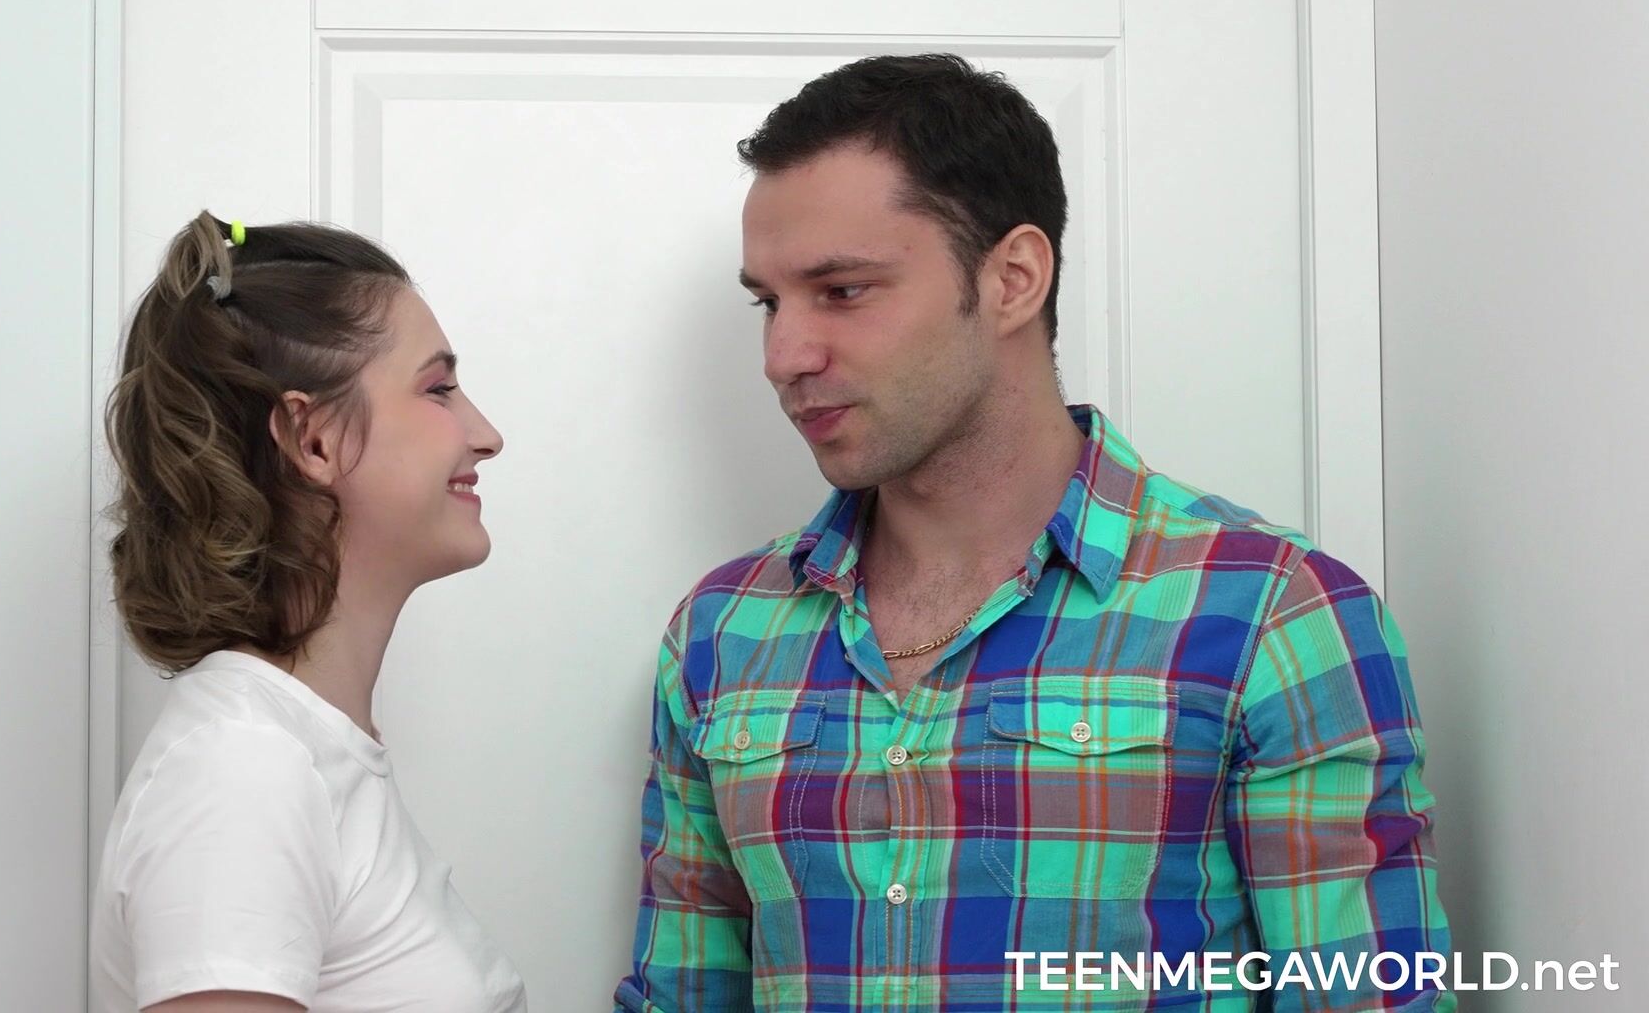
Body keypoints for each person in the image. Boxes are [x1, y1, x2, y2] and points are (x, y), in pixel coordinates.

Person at [614, 54, 1453, 1011]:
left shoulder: (1275, 618)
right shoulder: (724, 630)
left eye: (842, 290)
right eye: (769, 302)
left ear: (1013, 278)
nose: (783, 355)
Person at [89, 213, 527, 1012]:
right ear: (312, 440)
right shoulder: (242, 771)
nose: (486, 435)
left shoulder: (295, 754)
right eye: (438, 388)